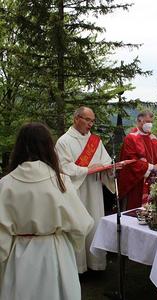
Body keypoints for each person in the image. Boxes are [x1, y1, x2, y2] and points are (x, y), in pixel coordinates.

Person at [0, 123, 93, 300]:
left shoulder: (6, 184)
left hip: (19, 257)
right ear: (49, 147)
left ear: (19, 147)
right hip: (55, 253)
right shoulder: (61, 182)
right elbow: (82, 224)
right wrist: (73, 242)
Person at [55, 107, 115, 273]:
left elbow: (106, 162)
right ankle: (78, 267)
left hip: (94, 190)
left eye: (92, 120)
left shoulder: (96, 141)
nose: (91, 124)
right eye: (87, 120)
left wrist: (109, 169)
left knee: (95, 224)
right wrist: (88, 169)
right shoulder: (64, 141)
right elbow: (63, 167)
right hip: (76, 192)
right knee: (78, 227)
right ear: (76, 119)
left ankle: (95, 263)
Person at [118, 111, 157, 209]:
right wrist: (152, 167)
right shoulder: (131, 138)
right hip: (137, 183)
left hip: (154, 181)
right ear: (139, 121)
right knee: (137, 210)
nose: (150, 124)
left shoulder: (153, 138)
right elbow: (131, 161)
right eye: (147, 121)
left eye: (151, 122)